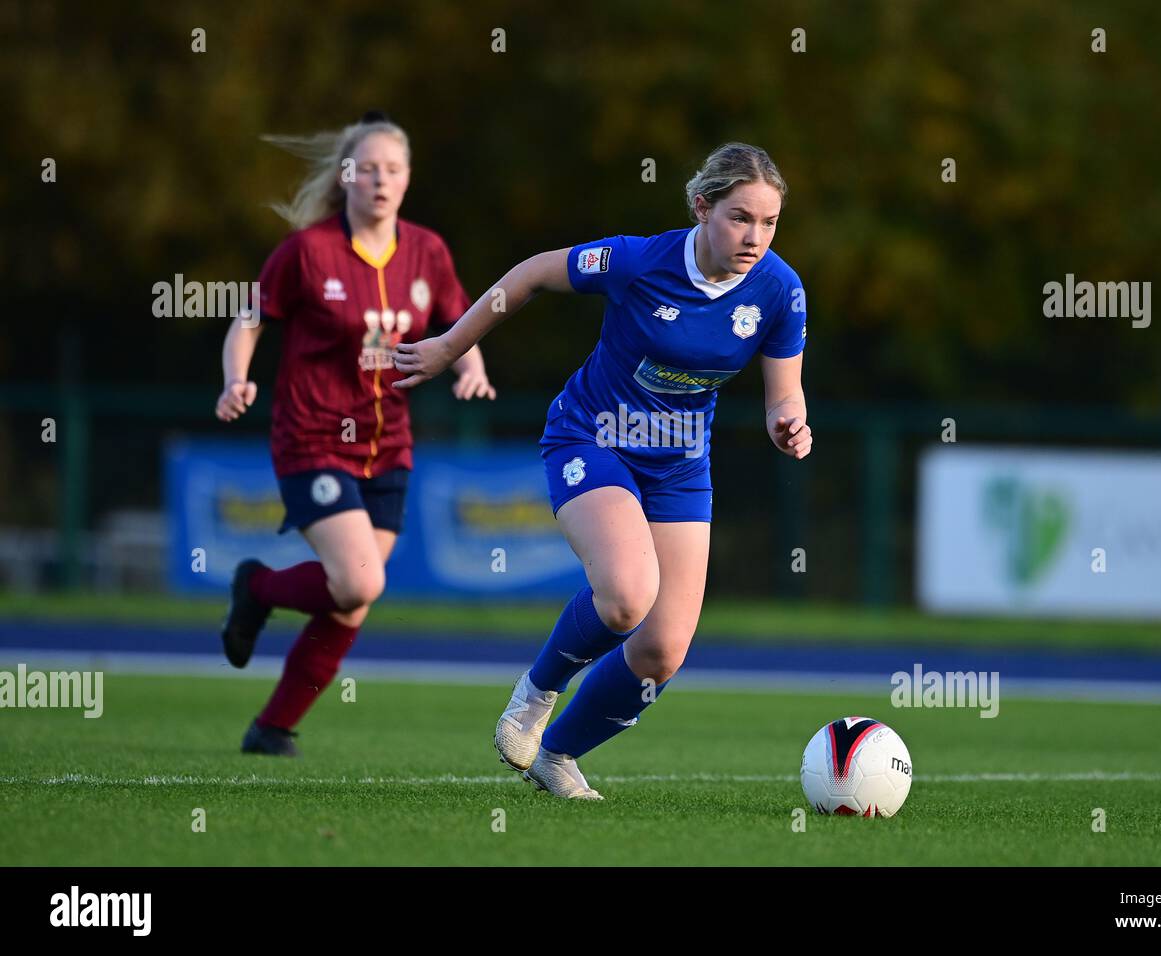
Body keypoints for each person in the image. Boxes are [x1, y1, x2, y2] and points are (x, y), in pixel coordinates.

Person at [395, 142, 810, 799]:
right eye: (739, 218)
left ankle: (556, 755)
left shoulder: (780, 291)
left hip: (679, 467)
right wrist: (451, 346)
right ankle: (534, 697)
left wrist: (789, 423)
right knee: (625, 594)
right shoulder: (638, 260)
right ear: (702, 207)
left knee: (662, 651)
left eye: (769, 222)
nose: (755, 236)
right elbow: (532, 274)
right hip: (594, 438)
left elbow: (785, 392)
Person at [216, 111, 495, 756]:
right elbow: (250, 320)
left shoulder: (427, 251)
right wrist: (236, 379)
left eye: (392, 169)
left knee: (351, 598)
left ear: (407, 180)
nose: (380, 180)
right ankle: (257, 586)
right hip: (312, 439)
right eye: (366, 168)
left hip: (389, 443)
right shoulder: (307, 251)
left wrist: (470, 368)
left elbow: (459, 323)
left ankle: (272, 727)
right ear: (345, 177)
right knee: (362, 580)